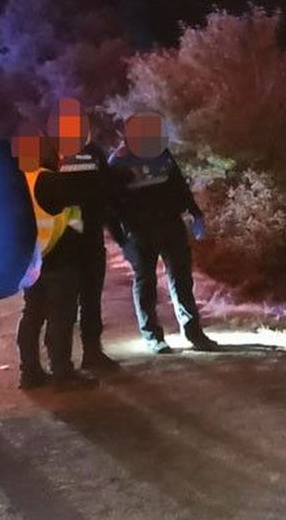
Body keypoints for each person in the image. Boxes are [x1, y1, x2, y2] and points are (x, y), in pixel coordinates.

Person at [110, 112, 218, 353]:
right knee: (146, 282)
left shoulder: (160, 153)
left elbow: (178, 184)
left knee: (181, 279)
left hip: (170, 225)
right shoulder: (117, 163)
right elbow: (111, 206)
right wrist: (122, 240)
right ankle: (152, 336)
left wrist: (195, 213)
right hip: (140, 231)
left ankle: (194, 333)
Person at [13, 128, 97, 391]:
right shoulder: (48, 180)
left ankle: (30, 373)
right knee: (60, 317)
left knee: (32, 316)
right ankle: (62, 372)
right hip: (58, 261)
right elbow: (78, 207)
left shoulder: (17, 182)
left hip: (30, 261)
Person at [54, 99, 129, 370]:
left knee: (91, 299)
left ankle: (92, 353)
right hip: (65, 241)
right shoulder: (53, 156)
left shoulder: (94, 153)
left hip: (91, 238)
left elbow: (106, 192)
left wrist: (119, 234)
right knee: (64, 305)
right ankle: (62, 365)